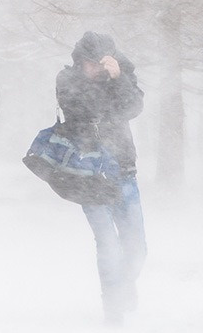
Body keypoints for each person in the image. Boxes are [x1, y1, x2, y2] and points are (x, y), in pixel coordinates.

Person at [56, 31, 146, 325]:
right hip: (89, 174)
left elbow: (132, 108)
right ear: (80, 61)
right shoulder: (68, 79)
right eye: (90, 63)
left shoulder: (122, 76)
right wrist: (99, 82)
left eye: (101, 63)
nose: (96, 68)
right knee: (108, 244)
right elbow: (80, 111)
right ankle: (113, 307)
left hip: (123, 170)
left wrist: (118, 77)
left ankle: (125, 285)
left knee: (136, 247)